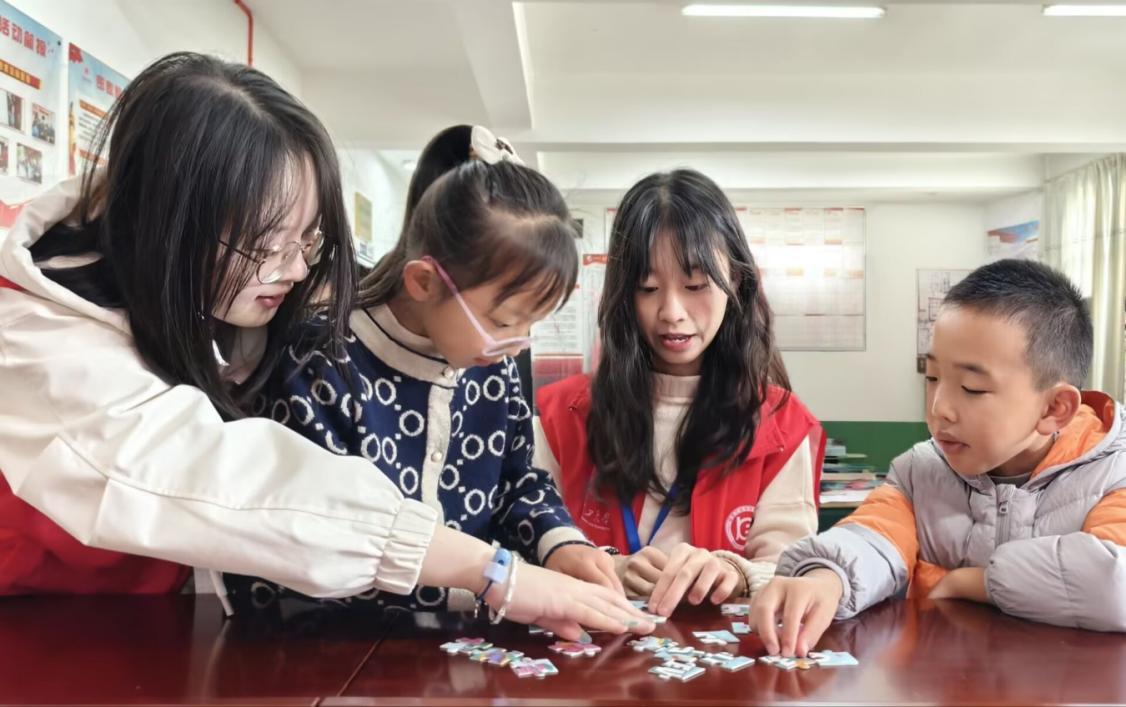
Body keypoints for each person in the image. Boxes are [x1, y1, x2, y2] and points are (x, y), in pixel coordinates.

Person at [0, 52, 649, 640]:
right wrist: (494, 572)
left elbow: (517, 478)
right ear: (168, 223)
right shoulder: (39, 339)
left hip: (182, 621)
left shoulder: (217, 288)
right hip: (60, 628)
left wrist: (552, 546)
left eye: (308, 238)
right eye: (266, 244)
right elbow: (231, 482)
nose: (295, 269)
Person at [229, 125, 620, 611]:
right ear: (424, 282)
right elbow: (324, 535)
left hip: (457, 642)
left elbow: (518, 480)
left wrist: (561, 544)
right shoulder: (320, 363)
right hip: (320, 641)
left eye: (532, 323)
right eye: (503, 321)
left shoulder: (491, 367)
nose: (516, 343)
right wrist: (493, 582)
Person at [753, 259, 1126, 657]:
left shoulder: (1113, 474)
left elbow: (1113, 584)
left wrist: (976, 583)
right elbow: (872, 535)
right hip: (941, 682)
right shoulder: (920, 471)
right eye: (932, 378)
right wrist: (826, 577)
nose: (939, 408)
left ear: (1054, 408)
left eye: (972, 387)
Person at [536, 169, 824, 616]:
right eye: (647, 288)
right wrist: (607, 567)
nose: (671, 312)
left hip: (723, 657)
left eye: (695, 286)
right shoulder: (560, 416)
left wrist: (738, 572)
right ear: (623, 295)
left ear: (737, 281)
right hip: (594, 651)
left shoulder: (783, 424)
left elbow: (794, 570)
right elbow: (518, 552)